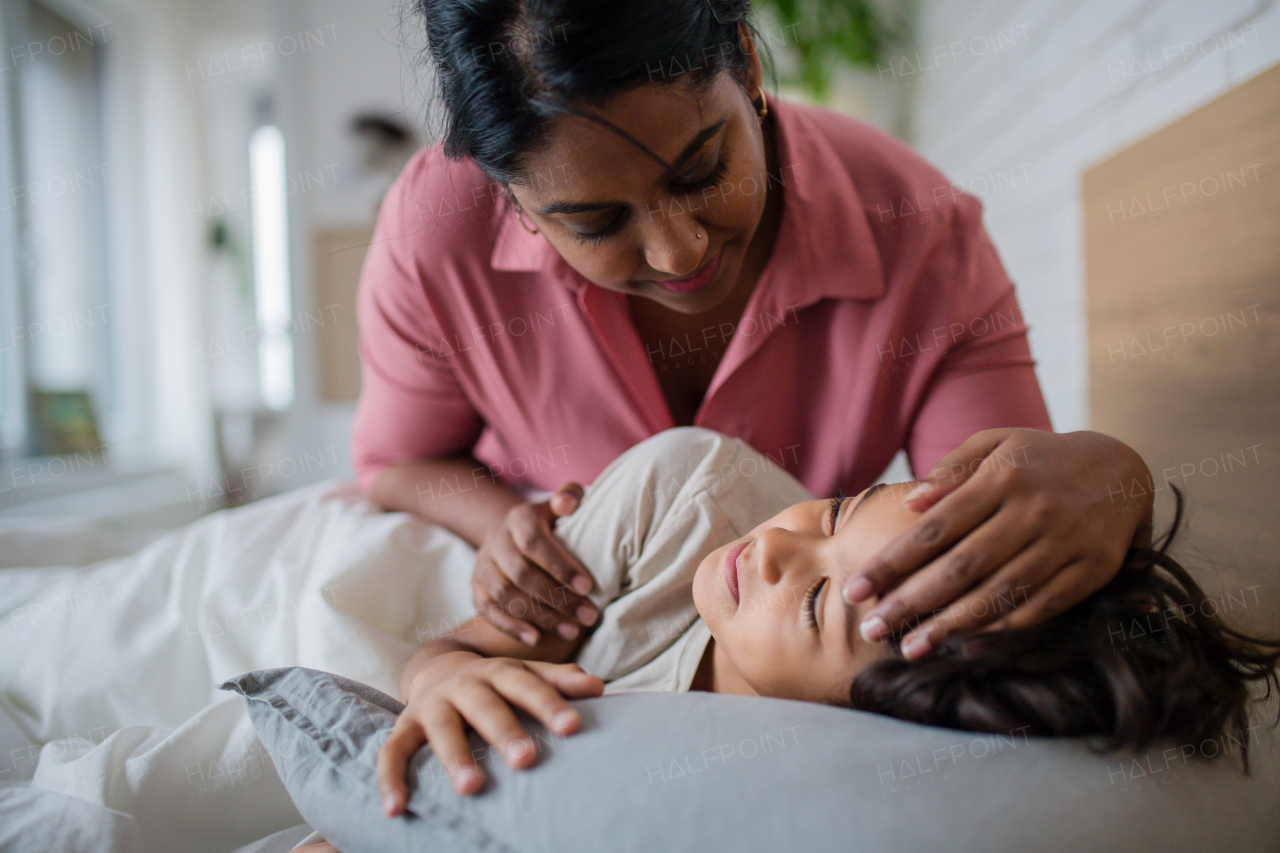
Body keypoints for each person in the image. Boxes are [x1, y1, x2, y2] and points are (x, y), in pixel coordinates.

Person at [349, 0, 1155, 662]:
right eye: (595, 222)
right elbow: (397, 461)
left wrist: (1118, 475)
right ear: (512, 202)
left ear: (749, 63)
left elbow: (989, 556)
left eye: (701, 171)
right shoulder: (435, 238)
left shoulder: (923, 239)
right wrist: (510, 536)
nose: (679, 251)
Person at [366, 428, 1279, 821]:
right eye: (842, 510)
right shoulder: (687, 495)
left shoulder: (792, 778)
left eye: (812, 602)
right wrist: (442, 679)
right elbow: (457, 649)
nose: (776, 548)